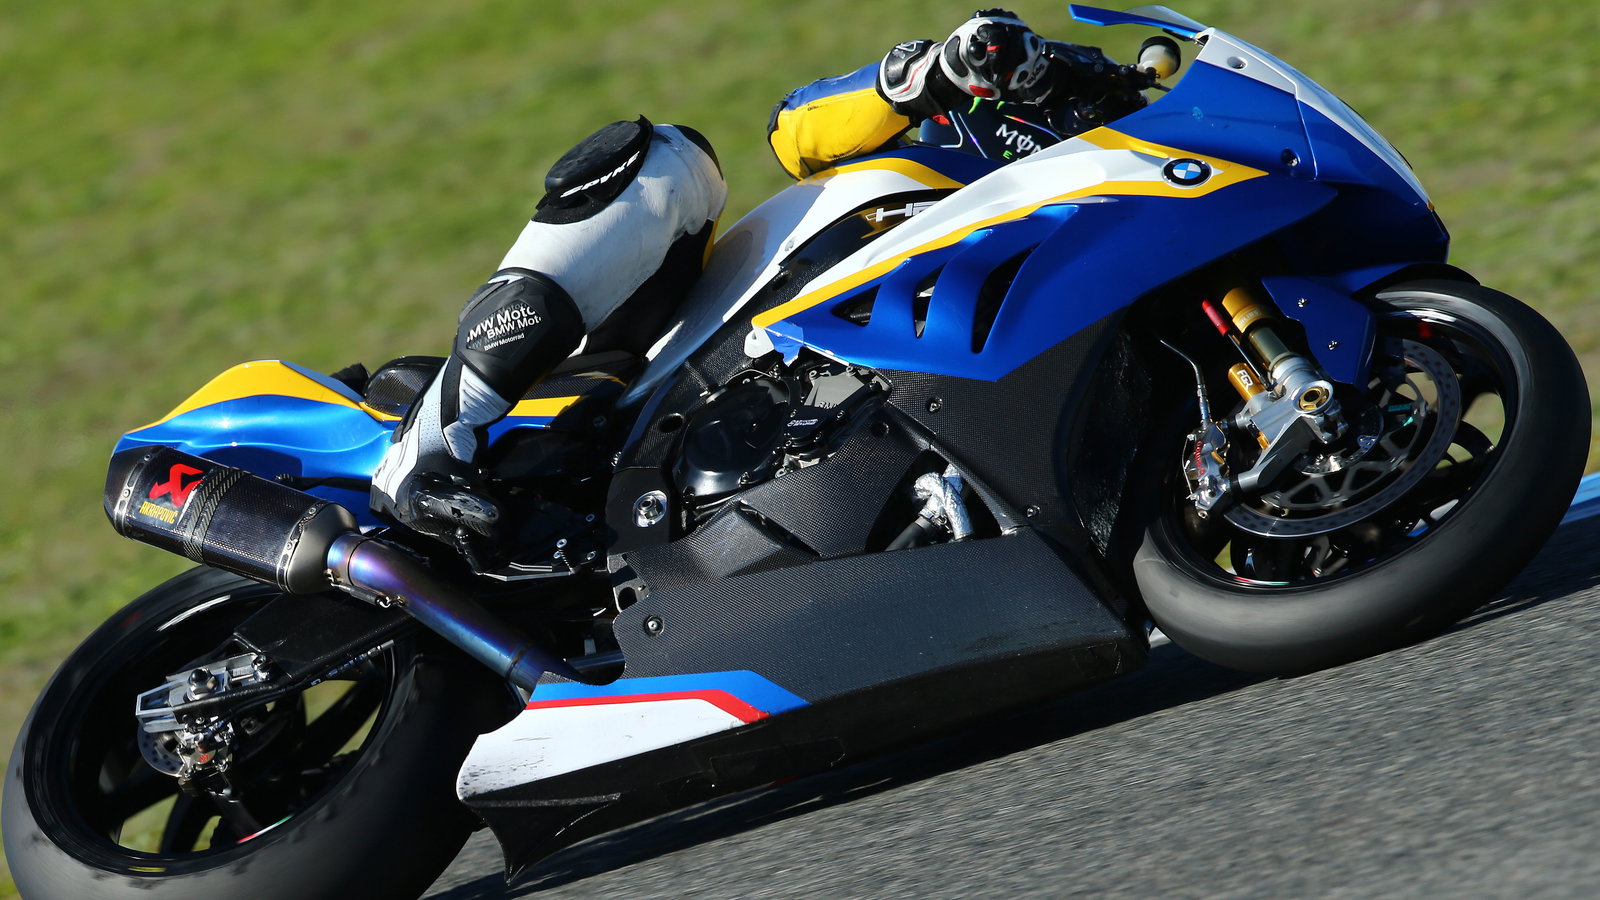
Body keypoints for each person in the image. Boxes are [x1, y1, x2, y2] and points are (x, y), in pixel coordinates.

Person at [371, 8, 1143, 554]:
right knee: (672, 162)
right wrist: (921, 78)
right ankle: (430, 443)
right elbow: (793, 131)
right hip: (667, 362)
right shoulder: (970, 122)